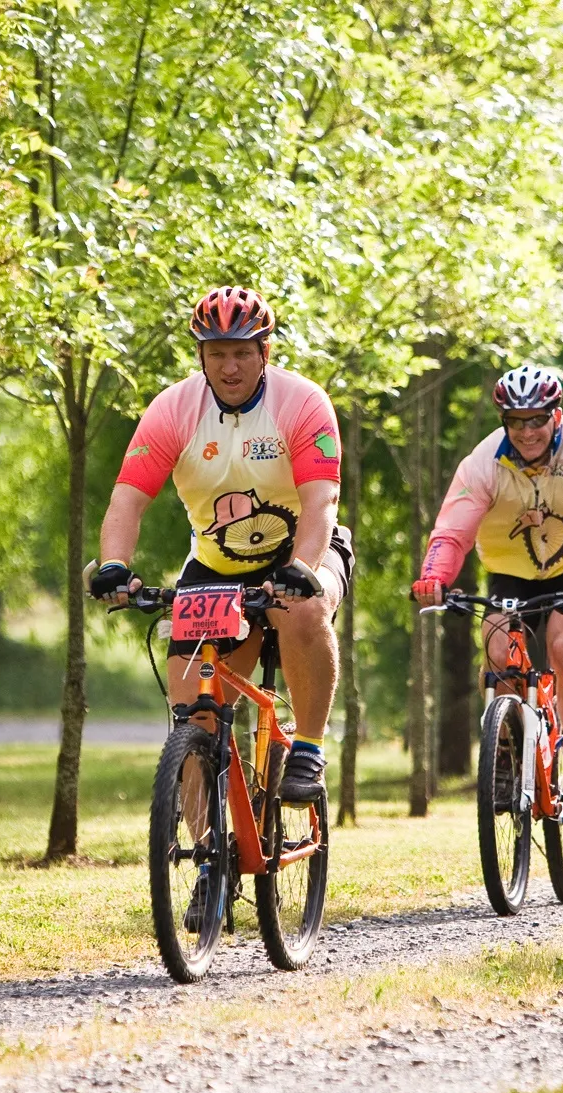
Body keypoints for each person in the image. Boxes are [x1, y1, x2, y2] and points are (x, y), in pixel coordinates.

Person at [89, 286, 351, 805]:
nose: (229, 368)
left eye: (241, 353)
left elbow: (322, 501)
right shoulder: (173, 410)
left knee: (304, 609)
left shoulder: (301, 403)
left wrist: (304, 568)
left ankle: (308, 748)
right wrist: (115, 565)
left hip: (302, 552)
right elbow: (126, 501)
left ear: (264, 353)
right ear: (202, 358)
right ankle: (205, 871)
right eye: (217, 355)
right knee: (194, 724)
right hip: (215, 566)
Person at [410, 365, 563, 820]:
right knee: (497, 646)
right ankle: (503, 754)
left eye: (537, 419)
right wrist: (434, 576)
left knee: (562, 645)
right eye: (516, 421)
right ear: (504, 422)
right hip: (510, 573)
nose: (527, 431)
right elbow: (451, 532)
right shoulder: (483, 462)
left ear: (557, 415)